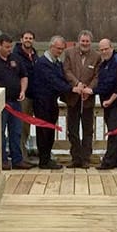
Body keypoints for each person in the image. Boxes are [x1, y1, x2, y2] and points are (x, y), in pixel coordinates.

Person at [0, 34, 33, 170]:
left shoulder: (16, 59)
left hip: (15, 102)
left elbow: (24, 76)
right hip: (0, 103)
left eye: (10, 47)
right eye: (7, 47)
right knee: (0, 132)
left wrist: (23, 91)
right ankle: (2, 159)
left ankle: (17, 160)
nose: (10, 49)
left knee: (16, 132)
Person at [33, 36, 83, 169]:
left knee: (50, 131)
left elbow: (63, 78)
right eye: (58, 48)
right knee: (43, 132)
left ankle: (47, 158)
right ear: (51, 47)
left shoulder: (57, 63)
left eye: (62, 49)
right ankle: (44, 161)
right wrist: (72, 89)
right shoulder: (43, 63)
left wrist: (76, 85)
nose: (60, 51)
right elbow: (54, 81)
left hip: (52, 102)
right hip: (42, 102)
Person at [63, 30, 101, 168]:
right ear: (78, 41)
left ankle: (86, 158)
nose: (85, 43)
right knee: (72, 129)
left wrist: (89, 89)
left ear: (90, 42)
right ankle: (75, 158)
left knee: (87, 130)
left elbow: (98, 75)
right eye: (83, 41)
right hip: (73, 96)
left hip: (87, 98)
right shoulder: (68, 53)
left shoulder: (96, 56)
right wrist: (77, 84)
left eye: (87, 41)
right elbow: (66, 71)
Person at [85, 39, 117, 170]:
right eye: (101, 50)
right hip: (107, 102)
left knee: (113, 132)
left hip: (115, 102)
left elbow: (110, 83)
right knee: (114, 131)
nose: (104, 52)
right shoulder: (105, 63)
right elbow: (101, 80)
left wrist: (92, 91)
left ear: (111, 47)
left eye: (106, 49)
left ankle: (108, 162)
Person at [13, 30, 39, 161]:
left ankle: (36, 153)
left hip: (36, 95)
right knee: (22, 127)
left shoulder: (35, 55)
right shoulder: (15, 55)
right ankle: (21, 157)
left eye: (31, 38)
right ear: (21, 39)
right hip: (23, 96)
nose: (28, 40)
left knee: (35, 126)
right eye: (26, 38)